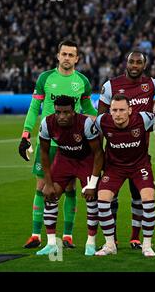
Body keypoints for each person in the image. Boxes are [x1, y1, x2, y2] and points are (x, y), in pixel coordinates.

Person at [18, 39, 98, 249]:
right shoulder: (45, 78)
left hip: (73, 144)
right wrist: (25, 134)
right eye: (64, 54)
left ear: (77, 58)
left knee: (70, 188)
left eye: (71, 55)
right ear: (58, 55)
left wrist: (104, 124)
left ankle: (68, 236)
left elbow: (89, 109)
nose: (67, 58)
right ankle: (36, 235)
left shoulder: (82, 81)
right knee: (42, 186)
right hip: (48, 142)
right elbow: (35, 107)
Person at [98, 51, 155, 250]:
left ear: (144, 65)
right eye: (131, 62)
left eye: (139, 63)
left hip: (140, 154)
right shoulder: (111, 86)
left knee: (139, 197)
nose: (134, 65)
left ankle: (136, 238)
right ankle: (113, 240)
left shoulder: (153, 84)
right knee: (111, 199)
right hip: (114, 156)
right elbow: (102, 118)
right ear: (126, 63)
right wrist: (99, 156)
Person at [34, 96, 103, 256]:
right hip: (64, 158)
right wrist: (48, 182)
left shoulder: (85, 123)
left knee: (92, 198)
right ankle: (51, 244)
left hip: (86, 160)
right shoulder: (47, 123)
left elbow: (99, 153)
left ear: (74, 111)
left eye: (66, 112)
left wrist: (93, 183)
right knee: (49, 194)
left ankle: (90, 243)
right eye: (58, 112)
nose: (62, 116)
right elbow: (44, 152)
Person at [93, 94, 155, 257]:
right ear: (110, 111)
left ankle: (147, 245)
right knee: (102, 201)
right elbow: (87, 120)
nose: (118, 113)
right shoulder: (102, 121)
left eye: (122, 110)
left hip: (139, 166)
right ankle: (110, 245)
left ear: (130, 110)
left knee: (148, 199)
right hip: (115, 168)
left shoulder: (143, 118)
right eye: (114, 110)